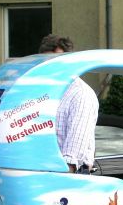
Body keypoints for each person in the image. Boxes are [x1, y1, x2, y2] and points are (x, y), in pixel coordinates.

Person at [38, 34, 99, 173]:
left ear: (69, 62)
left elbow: (72, 158)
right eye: (46, 62)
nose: (51, 67)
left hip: (67, 177)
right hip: (43, 173)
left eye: (57, 61)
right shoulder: (44, 92)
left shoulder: (80, 95)